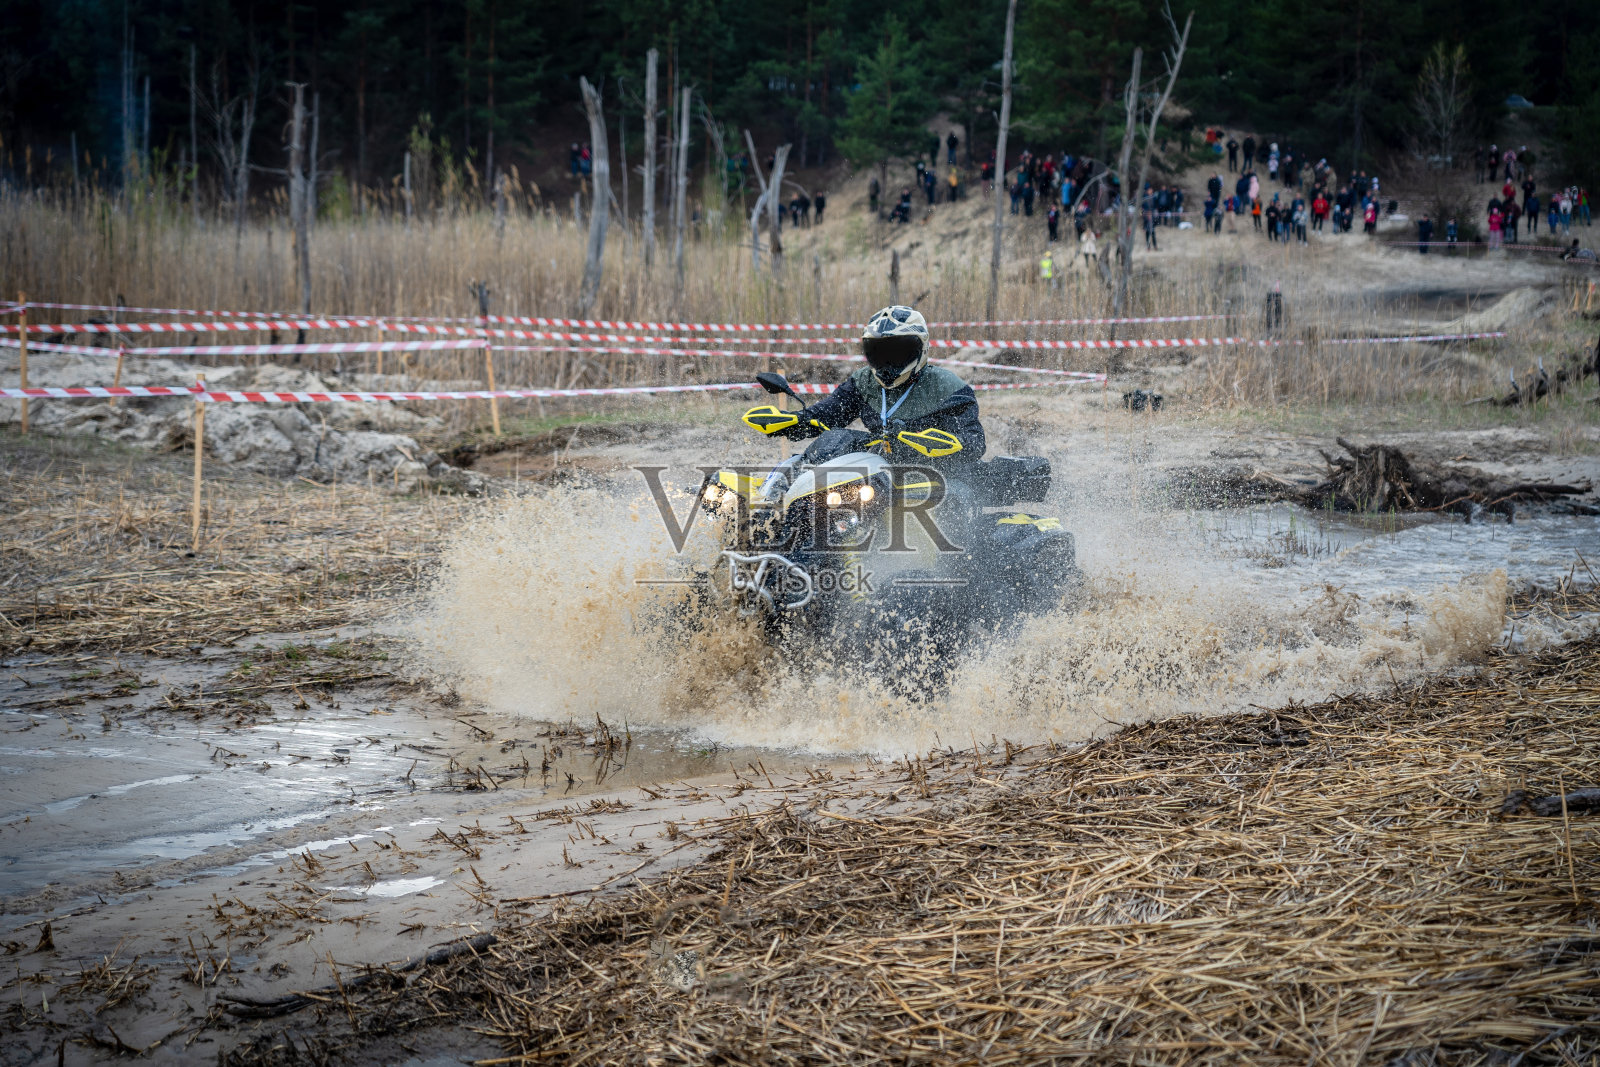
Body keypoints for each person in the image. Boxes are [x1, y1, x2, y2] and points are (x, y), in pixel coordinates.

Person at [761, 306, 985, 468]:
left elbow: (974, 443)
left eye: (898, 353)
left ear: (921, 348)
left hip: (939, 475)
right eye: (879, 353)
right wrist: (793, 422)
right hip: (878, 469)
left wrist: (926, 443)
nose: (888, 363)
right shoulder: (863, 382)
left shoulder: (947, 387)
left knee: (954, 501)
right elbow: (826, 416)